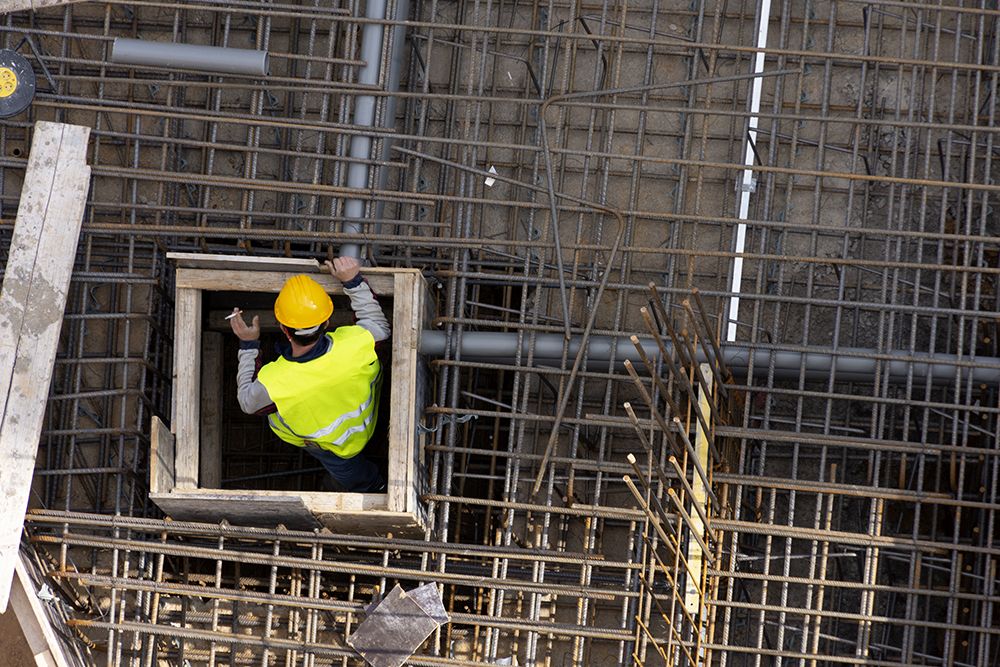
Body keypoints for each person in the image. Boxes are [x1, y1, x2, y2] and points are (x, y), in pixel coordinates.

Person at [228, 257, 391, 492]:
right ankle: (372, 486)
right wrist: (353, 282)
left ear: (283, 329)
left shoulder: (274, 381)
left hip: (330, 448)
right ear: (327, 322)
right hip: (367, 423)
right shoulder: (356, 344)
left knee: (353, 476)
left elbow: (247, 402)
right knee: (354, 473)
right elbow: (378, 325)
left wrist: (248, 345)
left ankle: (370, 487)